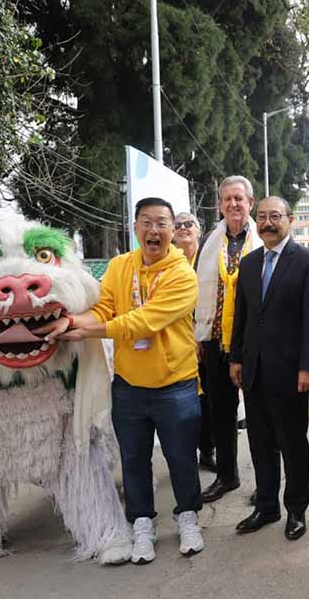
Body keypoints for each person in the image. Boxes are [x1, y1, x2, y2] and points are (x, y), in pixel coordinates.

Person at [38, 197, 204, 564]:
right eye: (147, 222)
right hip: (129, 385)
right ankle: (142, 523)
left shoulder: (182, 274)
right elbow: (105, 307)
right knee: (134, 460)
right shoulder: (119, 266)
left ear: (173, 231)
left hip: (175, 385)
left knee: (180, 458)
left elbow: (142, 322)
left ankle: (188, 516)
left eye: (162, 223)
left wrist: (90, 332)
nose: (154, 230)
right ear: (135, 227)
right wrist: (72, 321)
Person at [229, 196, 309, 541]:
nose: (268, 223)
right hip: (254, 371)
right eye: (262, 217)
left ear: (290, 219)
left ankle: (296, 510)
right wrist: (236, 359)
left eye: (275, 216)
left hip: (290, 373)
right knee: (260, 443)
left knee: (292, 444)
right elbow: (241, 315)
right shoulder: (250, 262)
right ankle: (266, 506)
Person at [194, 176, 262, 502]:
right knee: (221, 412)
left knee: (262, 414)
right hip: (215, 339)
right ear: (220, 205)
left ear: (251, 202)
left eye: (239, 198)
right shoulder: (210, 242)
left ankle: (266, 482)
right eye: (227, 199)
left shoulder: (264, 238)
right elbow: (195, 290)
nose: (233, 204)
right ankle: (227, 476)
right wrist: (197, 336)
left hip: (254, 343)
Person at [174, 211, 215, 471]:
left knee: (210, 399)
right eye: (178, 225)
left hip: (206, 336)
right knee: (186, 400)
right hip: (179, 340)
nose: (183, 228)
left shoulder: (209, 257)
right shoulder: (171, 262)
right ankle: (187, 451)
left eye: (189, 224)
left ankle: (208, 449)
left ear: (198, 230)